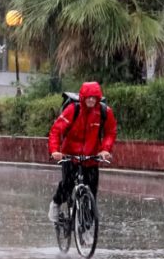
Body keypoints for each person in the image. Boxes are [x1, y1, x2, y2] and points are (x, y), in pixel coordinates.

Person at [47, 81, 118, 222]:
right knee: (67, 185)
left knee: (92, 193)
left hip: (91, 158)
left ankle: (87, 226)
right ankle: (55, 204)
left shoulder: (104, 112)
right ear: (83, 97)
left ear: (98, 98)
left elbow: (110, 132)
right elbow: (56, 130)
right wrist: (55, 150)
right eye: (88, 97)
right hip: (70, 156)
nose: (91, 100)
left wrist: (105, 149)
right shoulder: (73, 110)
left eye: (94, 97)